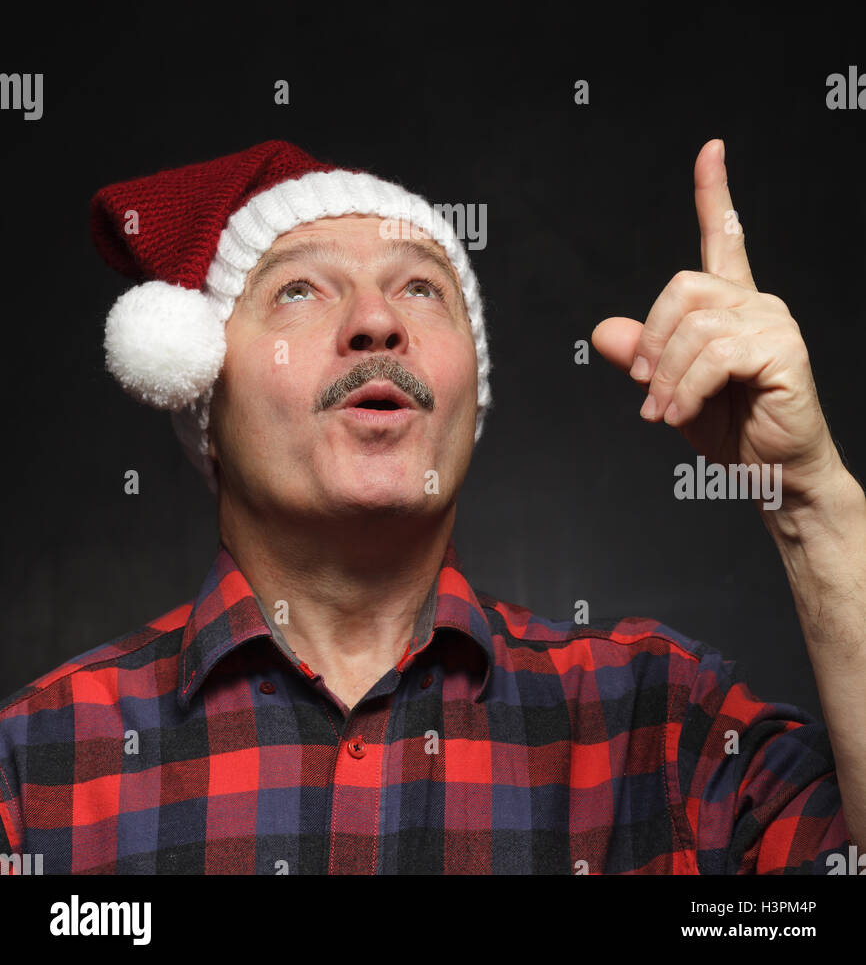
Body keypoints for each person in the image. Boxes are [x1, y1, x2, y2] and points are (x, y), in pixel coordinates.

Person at [0, 136, 862, 875]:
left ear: (468, 398)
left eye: (421, 288)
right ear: (201, 398)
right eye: (299, 289)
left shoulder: (667, 724)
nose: (376, 320)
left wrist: (809, 503)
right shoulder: (35, 768)